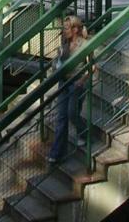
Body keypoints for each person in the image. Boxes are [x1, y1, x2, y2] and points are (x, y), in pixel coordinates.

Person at [47, 15, 93, 163]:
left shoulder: (85, 45)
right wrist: (55, 64)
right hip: (63, 82)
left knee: (72, 113)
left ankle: (84, 132)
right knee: (61, 117)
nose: (63, 31)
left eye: (66, 28)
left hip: (76, 83)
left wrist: (82, 80)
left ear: (75, 29)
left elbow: (92, 67)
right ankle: (57, 152)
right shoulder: (64, 43)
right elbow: (57, 61)